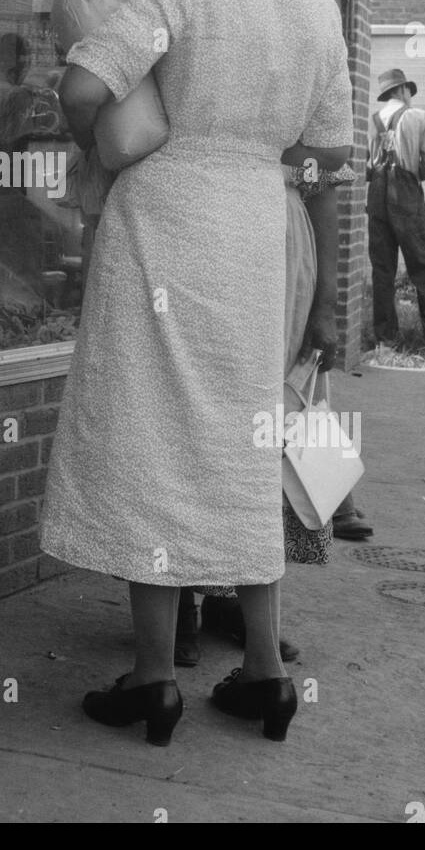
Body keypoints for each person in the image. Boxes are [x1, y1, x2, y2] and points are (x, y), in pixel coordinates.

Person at [39, 0, 354, 747]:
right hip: (255, 229)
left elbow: (84, 86)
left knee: (150, 431)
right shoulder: (312, 1)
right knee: (241, 441)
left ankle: (152, 682)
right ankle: (263, 676)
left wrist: (109, 140)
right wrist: (251, 149)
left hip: (165, 224)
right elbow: (330, 147)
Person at [175, 155, 361, 670]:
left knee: (269, 431)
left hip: (280, 252)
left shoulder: (310, 74)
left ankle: (233, 599)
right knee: (191, 420)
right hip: (193, 233)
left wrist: (326, 305)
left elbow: (324, 186)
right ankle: (178, 600)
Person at [366, 68, 425, 345]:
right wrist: (412, 175)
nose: (410, 95)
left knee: (383, 269)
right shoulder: (418, 117)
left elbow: (367, 165)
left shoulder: (372, 120)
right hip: (405, 195)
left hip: (376, 193)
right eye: (409, 90)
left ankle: (385, 339)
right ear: (401, 90)